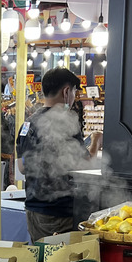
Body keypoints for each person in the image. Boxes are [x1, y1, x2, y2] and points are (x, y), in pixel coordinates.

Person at [16, 67, 92, 241]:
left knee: (42, 261)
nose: (74, 97)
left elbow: (22, 167)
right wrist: (95, 143)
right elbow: (86, 164)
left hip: (33, 209)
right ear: (66, 91)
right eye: (74, 91)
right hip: (59, 212)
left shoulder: (28, 124)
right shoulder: (66, 122)